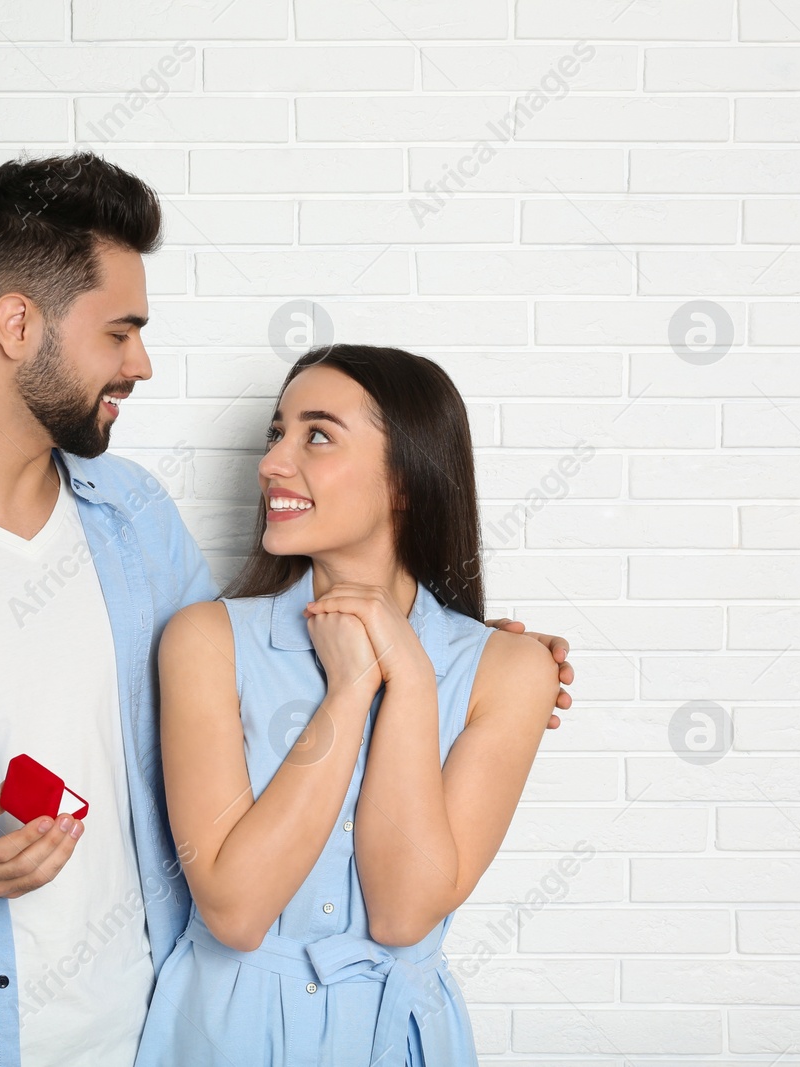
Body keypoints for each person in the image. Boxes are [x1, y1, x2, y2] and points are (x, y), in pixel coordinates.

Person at [0, 153, 575, 1066]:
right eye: (120, 332)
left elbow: (266, 675)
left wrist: (467, 657)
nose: (141, 363)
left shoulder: (137, 521)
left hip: (159, 1037)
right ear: (15, 323)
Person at [134, 345, 560, 1067]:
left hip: (396, 1038)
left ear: (405, 480)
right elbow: (235, 909)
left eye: (317, 434)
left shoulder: (511, 668)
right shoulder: (206, 640)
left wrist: (413, 682)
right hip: (227, 1034)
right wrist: (352, 686)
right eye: (277, 433)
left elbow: (401, 912)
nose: (272, 461)